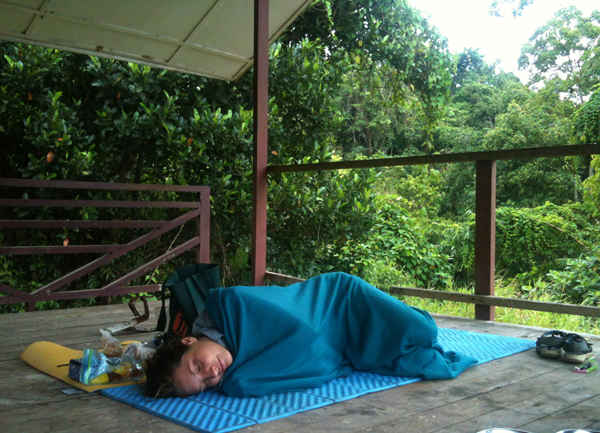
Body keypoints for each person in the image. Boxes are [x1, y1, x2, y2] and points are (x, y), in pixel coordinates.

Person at [145, 272, 476, 399]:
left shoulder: (228, 304)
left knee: (423, 330)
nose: (212, 375)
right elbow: (259, 376)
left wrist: (242, 377)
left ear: (188, 341)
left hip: (339, 300)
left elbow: (298, 322)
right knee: (417, 358)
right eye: (204, 386)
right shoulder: (235, 377)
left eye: (197, 368)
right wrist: (235, 382)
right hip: (338, 345)